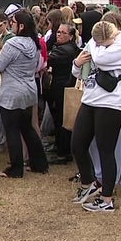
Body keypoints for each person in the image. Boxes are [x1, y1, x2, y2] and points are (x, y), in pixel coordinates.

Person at [70, 21, 121, 213]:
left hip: (112, 103)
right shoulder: (95, 43)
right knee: (77, 144)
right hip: (90, 99)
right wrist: (77, 62)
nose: (102, 45)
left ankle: (107, 198)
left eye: (104, 42)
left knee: (106, 150)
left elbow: (100, 60)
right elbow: (79, 71)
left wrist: (94, 46)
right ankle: (88, 182)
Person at [0, 10, 48, 178]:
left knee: (12, 129)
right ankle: (39, 163)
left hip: (11, 91)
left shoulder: (12, 44)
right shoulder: (34, 43)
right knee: (27, 128)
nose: (11, 24)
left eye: (13, 22)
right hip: (29, 89)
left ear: (21, 26)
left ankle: (16, 167)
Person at [45, 20, 82, 163]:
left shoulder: (64, 50)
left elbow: (48, 60)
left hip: (61, 88)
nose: (59, 35)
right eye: (58, 32)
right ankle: (61, 148)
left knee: (62, 121)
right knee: (60, 120)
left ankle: (63, 152)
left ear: (71, 36)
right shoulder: (66, 47)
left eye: (63, 33)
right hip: (62, 87)